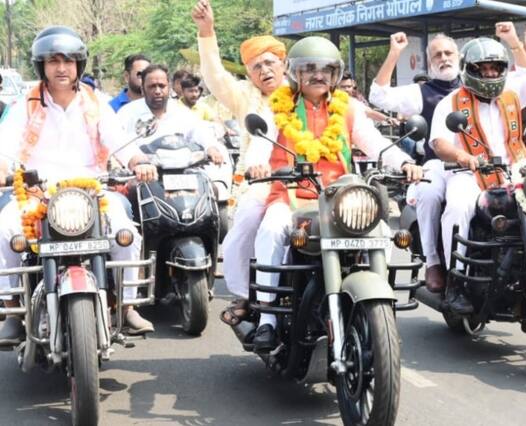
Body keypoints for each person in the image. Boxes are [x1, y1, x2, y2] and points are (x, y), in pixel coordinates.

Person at [247, 36, 423, 351]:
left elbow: (374, 142)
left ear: (335, 73)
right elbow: (261, 143)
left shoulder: (348, 107)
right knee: (271, 230)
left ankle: (377, 309)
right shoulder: (279, 106)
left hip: (341, 199)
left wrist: (405, 163)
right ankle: (267, 319)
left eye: (326, 69)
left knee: (382, 233)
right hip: (291, 194)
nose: (319, 75)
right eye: (309, 69)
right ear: (295, 73)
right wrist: (256, 164)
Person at [0, 26, 158, 344]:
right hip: (36, 191)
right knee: (4, 231)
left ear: (79, 65)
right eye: (53, 61)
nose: (61, 68)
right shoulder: (23, 106)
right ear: (41, 66)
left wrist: (139, 162)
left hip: (91, 190)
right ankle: (13, 310)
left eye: (68, 61)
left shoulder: (96, 103)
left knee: (125, 232)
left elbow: (120, 142)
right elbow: (5, 149)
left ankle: (126, 307)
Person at [369, 23, 526, 293]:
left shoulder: (496, 91)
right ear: (429, 62)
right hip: (441, 161)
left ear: (461, 58)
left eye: (448, 53)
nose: (444, 58)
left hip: (489, 163)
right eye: (437, 55)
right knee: (430, 193)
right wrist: (395, 52)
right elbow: (378, 96)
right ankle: (435, 263)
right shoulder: (423, 92)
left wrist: (515, 42)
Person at [429, 13, 526, 314]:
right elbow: (439, 143)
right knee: (459, 206)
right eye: (483, 68)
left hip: (514, 170)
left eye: (496, 68)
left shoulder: (513, 94)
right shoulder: (450, 102)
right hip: (468, 173)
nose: (490, 73)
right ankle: (456, 281)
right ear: (468, 70)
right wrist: (465, 158)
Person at [192, 0, 287, 326]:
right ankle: (246, 294)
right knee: (246, 221)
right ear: (249, 73)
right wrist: (207, 33)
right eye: (257, 66)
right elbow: (215, 76)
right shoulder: (245, 96)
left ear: (284, 64)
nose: (265, 71)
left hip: (307, 179)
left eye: (270, 63)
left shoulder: (301, 93)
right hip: (260, 181)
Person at [117, 64, 224, 163]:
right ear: (142, 90)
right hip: (143, 172)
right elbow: (118, 143)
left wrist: (211, 148)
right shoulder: (127, 113)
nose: (157, 91)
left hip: (183, 171)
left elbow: (199, 131)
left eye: (162, 86)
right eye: (152, 86)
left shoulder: (181, 112)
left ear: (169, 88)